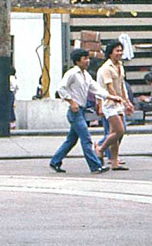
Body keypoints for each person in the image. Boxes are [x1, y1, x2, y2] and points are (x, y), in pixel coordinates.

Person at [49, 48, 108, 174]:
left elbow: (96, 89)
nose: (88, 61)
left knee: (71, 140)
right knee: (86, 139)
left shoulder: (86, 75)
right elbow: (61, 88)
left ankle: (55, 161)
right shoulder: (72, 73)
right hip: (75, 111)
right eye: (85, 59)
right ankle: (95, 166)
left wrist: (110, 97)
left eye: (88, 58)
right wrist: (71, 102)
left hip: (81, 110)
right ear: (77, 61)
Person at [95, 39, 132, 171]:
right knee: (119, 130)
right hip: (109, 103)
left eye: (121, 50)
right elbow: (109, 86)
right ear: (110, 53)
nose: (120, 53)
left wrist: (127, 101)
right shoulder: (106, 68)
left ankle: (114, 161)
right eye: (117, 50)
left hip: (119, 103)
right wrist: (116, 98)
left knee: (117, 133)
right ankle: (100, 148)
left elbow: (122, 85)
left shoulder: (120, 66)